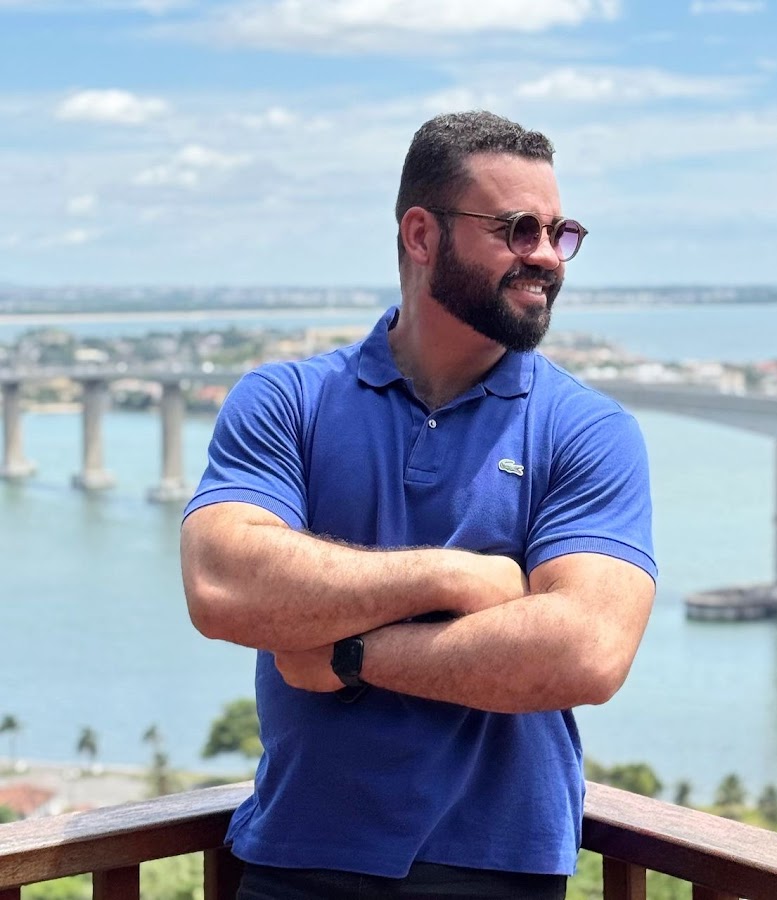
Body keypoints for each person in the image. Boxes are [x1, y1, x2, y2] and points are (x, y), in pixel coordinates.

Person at [181, 109, 657, 899]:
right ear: (421, 234)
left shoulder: (588, 429)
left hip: (500, 870)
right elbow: (223, 583)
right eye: (518, 229)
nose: (547, 256)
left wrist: (346, 656)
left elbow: (586, 650)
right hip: (298, 857)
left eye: (560, 232)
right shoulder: (287, 400)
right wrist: (455, 577)